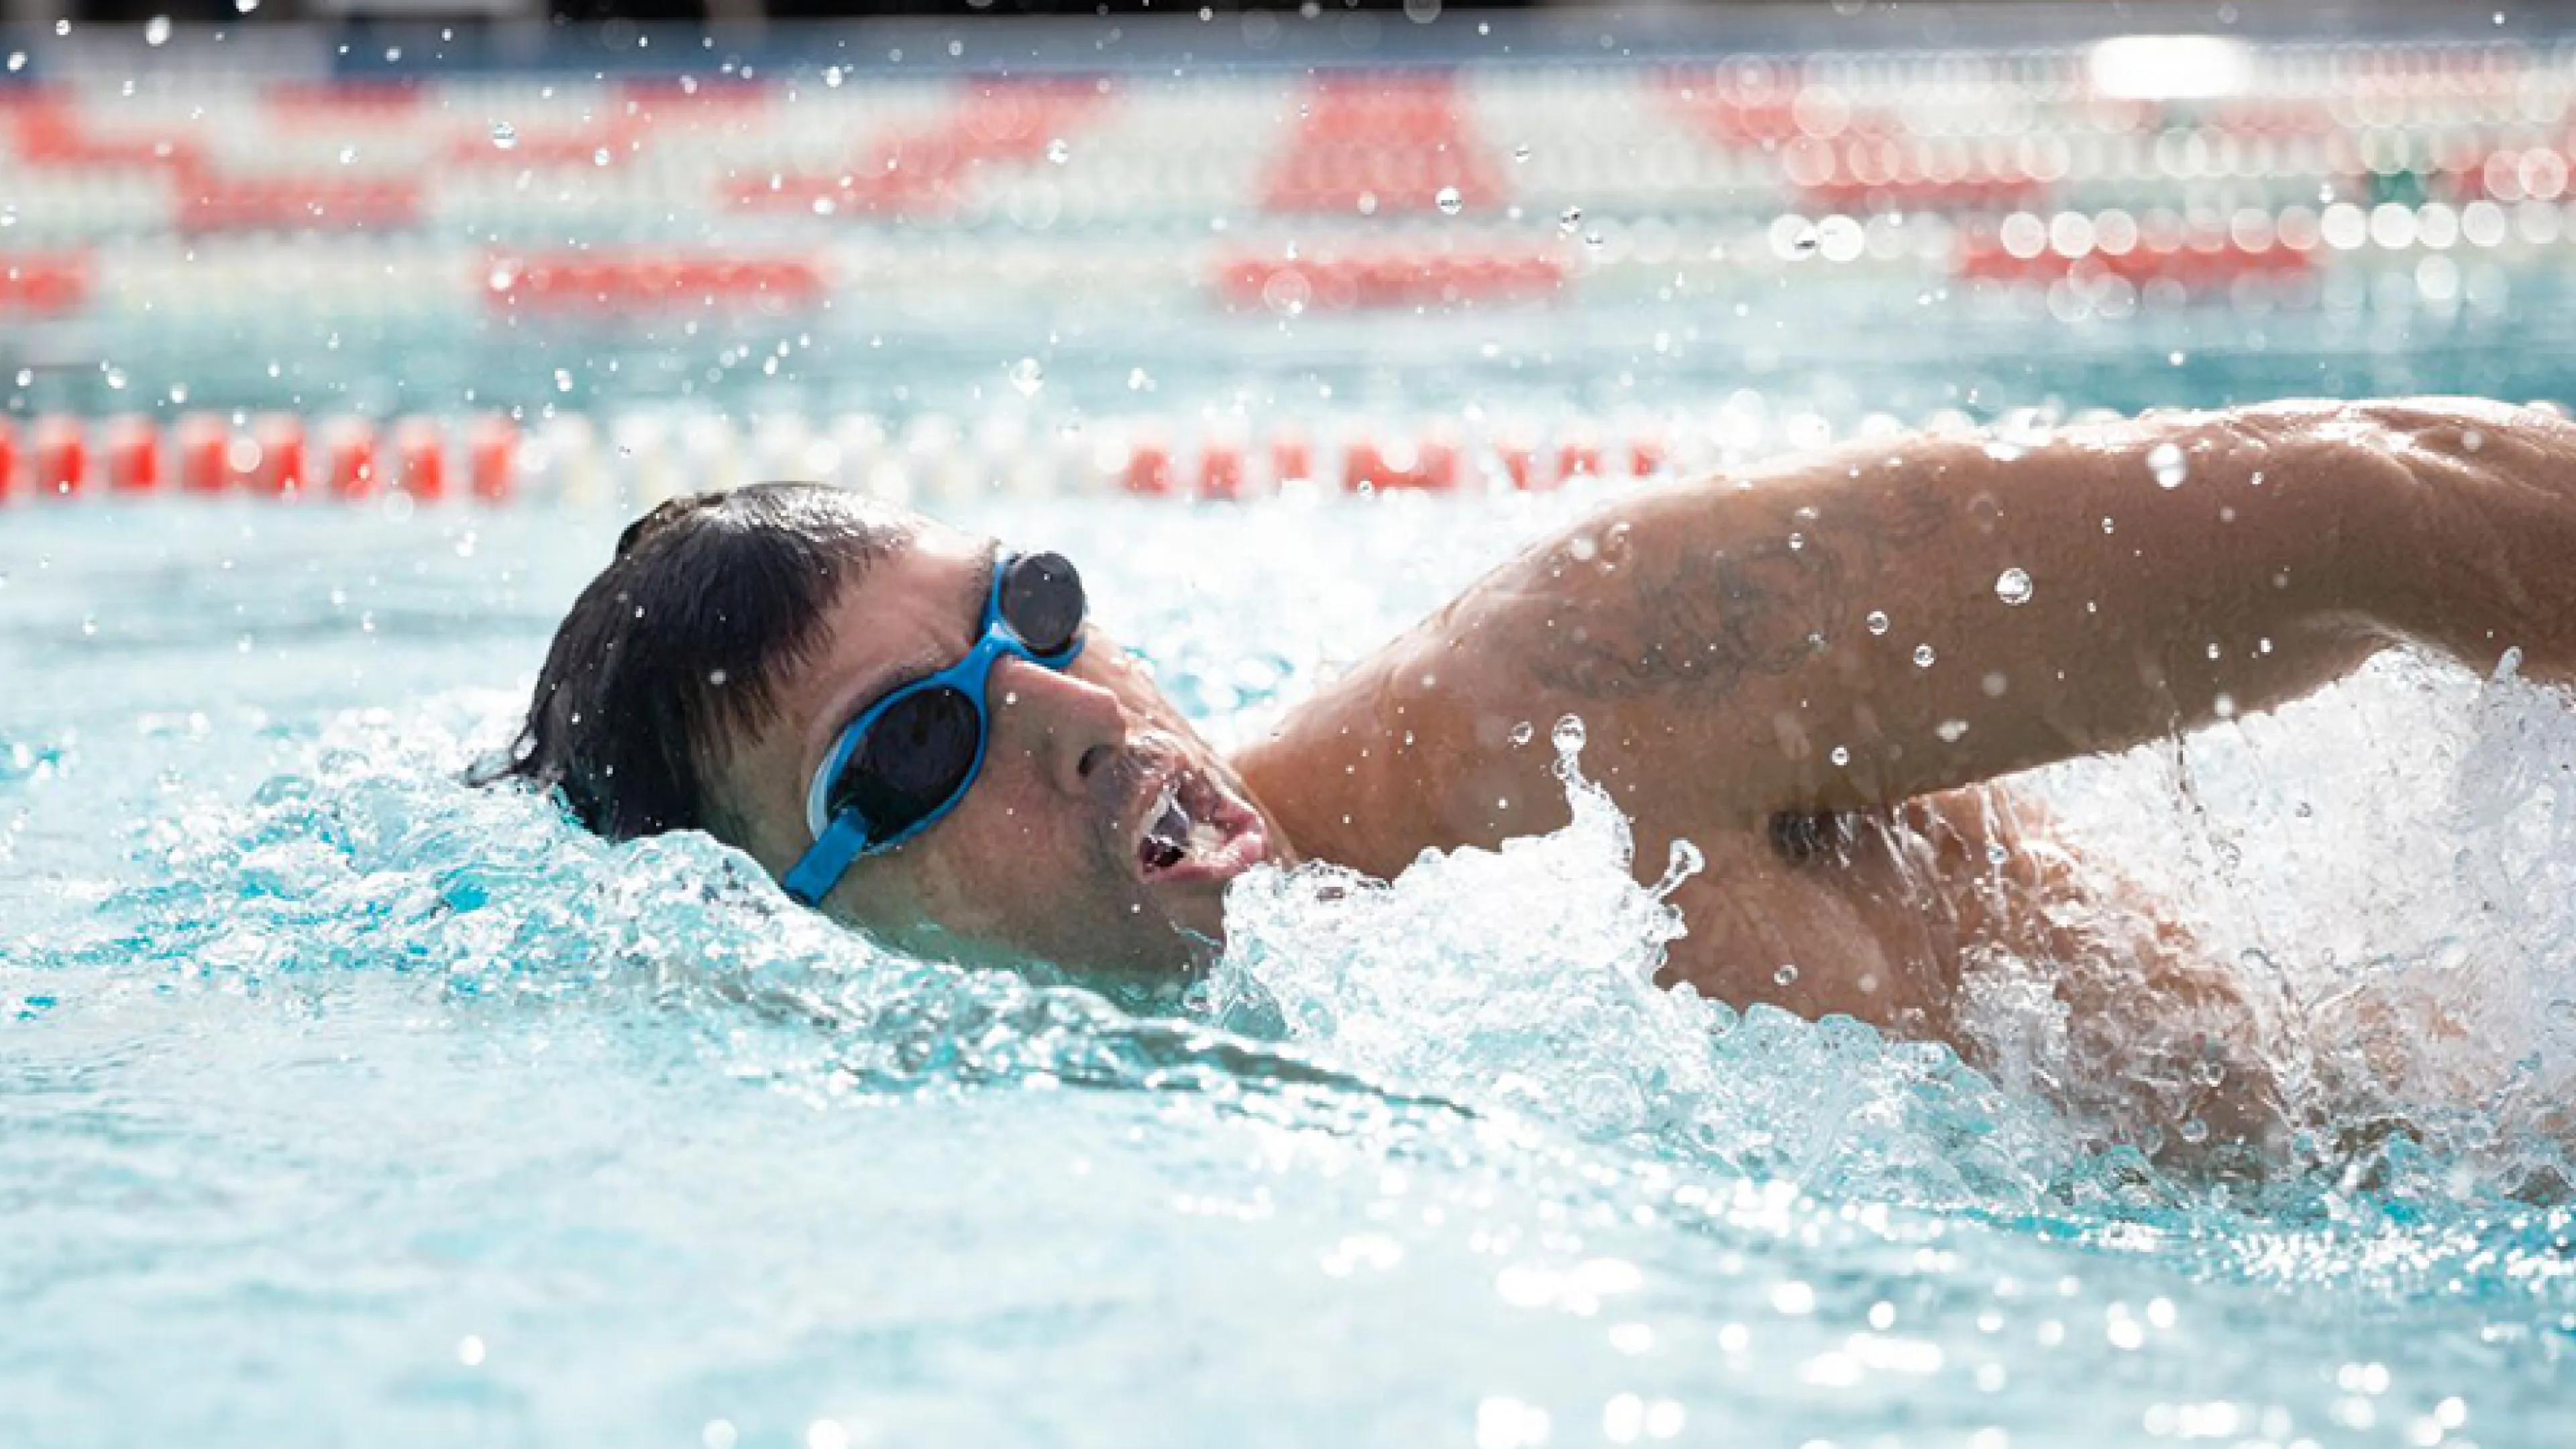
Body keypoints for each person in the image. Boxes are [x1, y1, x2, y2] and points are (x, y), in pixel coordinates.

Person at [495, 396, 2576, 1163]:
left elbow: (2377, 503)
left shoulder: (1569, 705)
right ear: (789, 938)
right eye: (923, 744)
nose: (1064, 707)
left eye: (1029, 607)